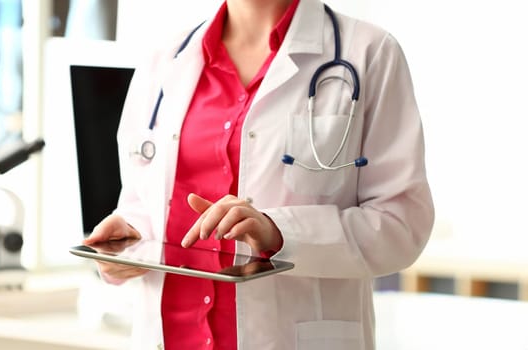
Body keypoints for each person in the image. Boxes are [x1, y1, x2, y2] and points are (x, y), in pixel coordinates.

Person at [84, 0, 434, 349]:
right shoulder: (165, 60)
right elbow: (141, 203)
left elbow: (401, 226)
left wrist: (281, 233)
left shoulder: (369, 53)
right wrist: (127, 241)